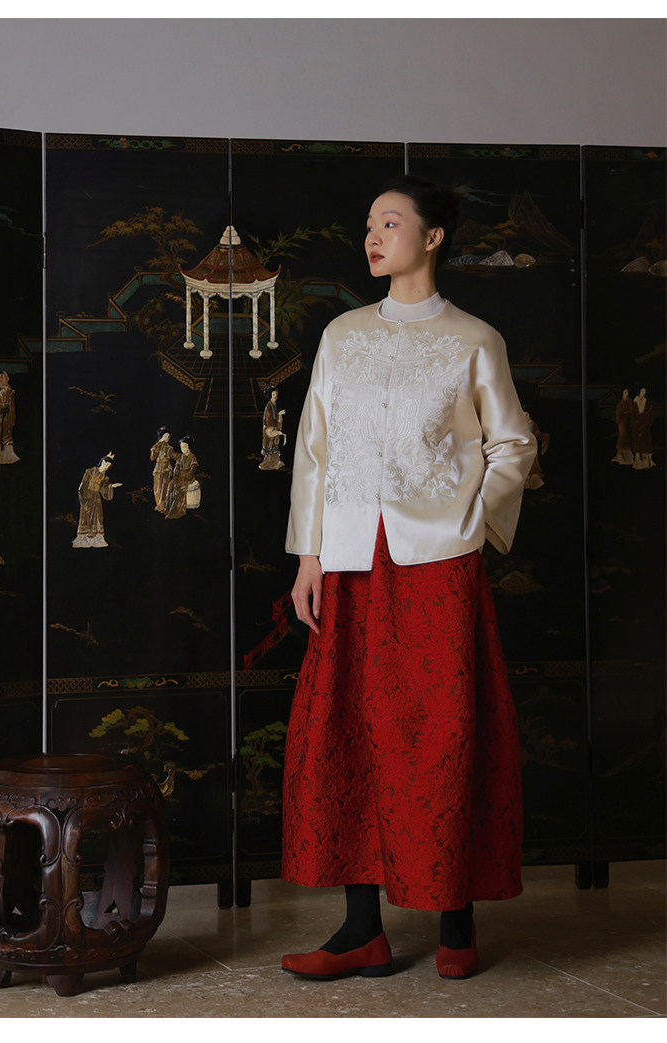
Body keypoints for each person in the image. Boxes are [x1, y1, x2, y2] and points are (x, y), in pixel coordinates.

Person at [281, 174, 537, 983]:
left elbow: (515, 445)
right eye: (368, 223)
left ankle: (456, 920)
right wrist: (309, 555)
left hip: (438, 565)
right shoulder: (343, 336)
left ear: (433, 237)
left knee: (441, 733)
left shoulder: (473, 339)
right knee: (351, 731)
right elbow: (314, 449)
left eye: (389, 222)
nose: (372, 234)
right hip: (351, 562)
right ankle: (362, 930)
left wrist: (471, 523)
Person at [72, 454, 122, 548]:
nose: (107, 468)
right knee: (86, 516)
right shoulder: (89, 472)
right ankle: (84, 537)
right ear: (103, 462)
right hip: (88, 496)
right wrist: (85, 498)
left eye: (109, 467)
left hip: (97, 499)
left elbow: (104, 488)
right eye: (107, 465)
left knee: (97, 517)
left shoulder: (105, 478)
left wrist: (111, 486)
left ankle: (97, 537)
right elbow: (83, 485)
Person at [163, 436, 199, 519]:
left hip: (187, 477)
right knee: (171, 485)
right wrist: (176, 474)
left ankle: (175, 511)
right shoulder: (181, 457)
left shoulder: (192, 457)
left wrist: (188, 476)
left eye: (185, 446)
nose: (183, 449)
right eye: (182, 447)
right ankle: (167, 508)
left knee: (180, 488)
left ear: (189, 446)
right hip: (179, 476)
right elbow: (177, 466)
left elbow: (193, 468)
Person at [0, 371, 19, 464]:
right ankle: (2, 457)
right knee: (4, 436)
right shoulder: (8, 391)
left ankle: (4, 458)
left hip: (4, 417)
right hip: (6, 417)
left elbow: (1, 407)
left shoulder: (5, 392)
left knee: (2, 436)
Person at [150, 427, 178, 513]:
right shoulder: (156, 446)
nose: (167, 438)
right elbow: (152, 458)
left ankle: (163, 505)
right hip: (158, 469)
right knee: (157, 487)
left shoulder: (169, 447)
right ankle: (159, 505)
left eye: (168, 437)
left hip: (166, 469)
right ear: (161, 437)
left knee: (164, 487)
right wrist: (156, 447)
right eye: (165, 436)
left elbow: (174, 456)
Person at [259, 385, 286, 470]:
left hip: (273, 427)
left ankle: (275, 463)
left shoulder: (274, 404)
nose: (275, 396)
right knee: (270, 446)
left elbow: (275, 418)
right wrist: (278, 415)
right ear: (270, 395)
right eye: (273, 394)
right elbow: (269, 419)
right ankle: (269, 464)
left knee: (274, 445)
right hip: (269, 429)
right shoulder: (269, 406)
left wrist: (279, 415)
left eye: (276, 394)